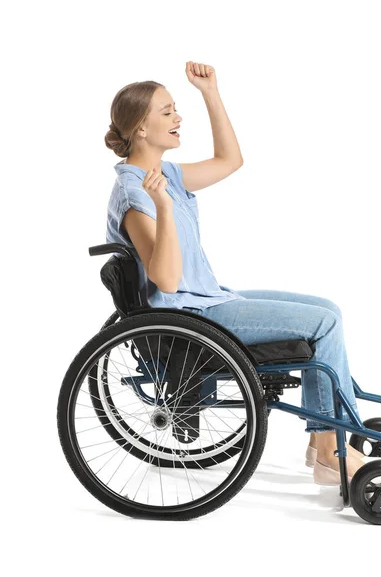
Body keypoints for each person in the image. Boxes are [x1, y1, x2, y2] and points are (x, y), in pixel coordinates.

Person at [104, 61, 366, 485]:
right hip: (190, 315)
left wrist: (210, 93)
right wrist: (166, 209)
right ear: (140, 128)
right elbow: (167, 281)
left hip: (209, 298)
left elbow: (230, 160)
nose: (177, 117)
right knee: (326, 323)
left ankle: (326, 443)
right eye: (167, 111)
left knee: (327, 308)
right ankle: (328, 447)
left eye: (176, 109)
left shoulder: (164, 174)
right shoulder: (138, 193)